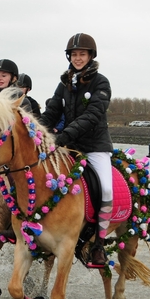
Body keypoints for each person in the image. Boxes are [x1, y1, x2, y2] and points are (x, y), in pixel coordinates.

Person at [39, 33, 112, 267]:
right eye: (74, 54)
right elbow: (51, 112)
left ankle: (99, 243)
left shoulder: (101, 82)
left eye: (82, 54)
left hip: (94, 147)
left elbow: (92, 115)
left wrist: (63, 136)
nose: (78, 58)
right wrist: (36, 130)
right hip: (68, 148)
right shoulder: (64, 84)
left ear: (90, 56)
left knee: (107, 190)